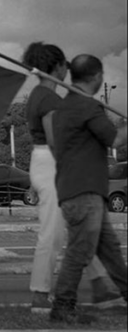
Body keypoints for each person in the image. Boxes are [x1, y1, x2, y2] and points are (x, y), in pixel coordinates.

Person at [21, 43, 122, 314]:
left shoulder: (39, 94)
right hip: (54, 162)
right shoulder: (48, 99)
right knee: (54, 232)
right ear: (56, 67)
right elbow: (57, 141)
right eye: (64, 64)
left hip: (45, 161)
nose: (67, 69)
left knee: (84, 231)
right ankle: (41, 294)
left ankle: (103, 287)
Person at [50, 54, 128, 324]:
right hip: (85, 192)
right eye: (102, 75)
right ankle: (62, 306)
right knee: (80, 251)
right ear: (96, 77)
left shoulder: (64, 107)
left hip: (74, 189)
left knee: (109, 249)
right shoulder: (87, 107)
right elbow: (115, 140)